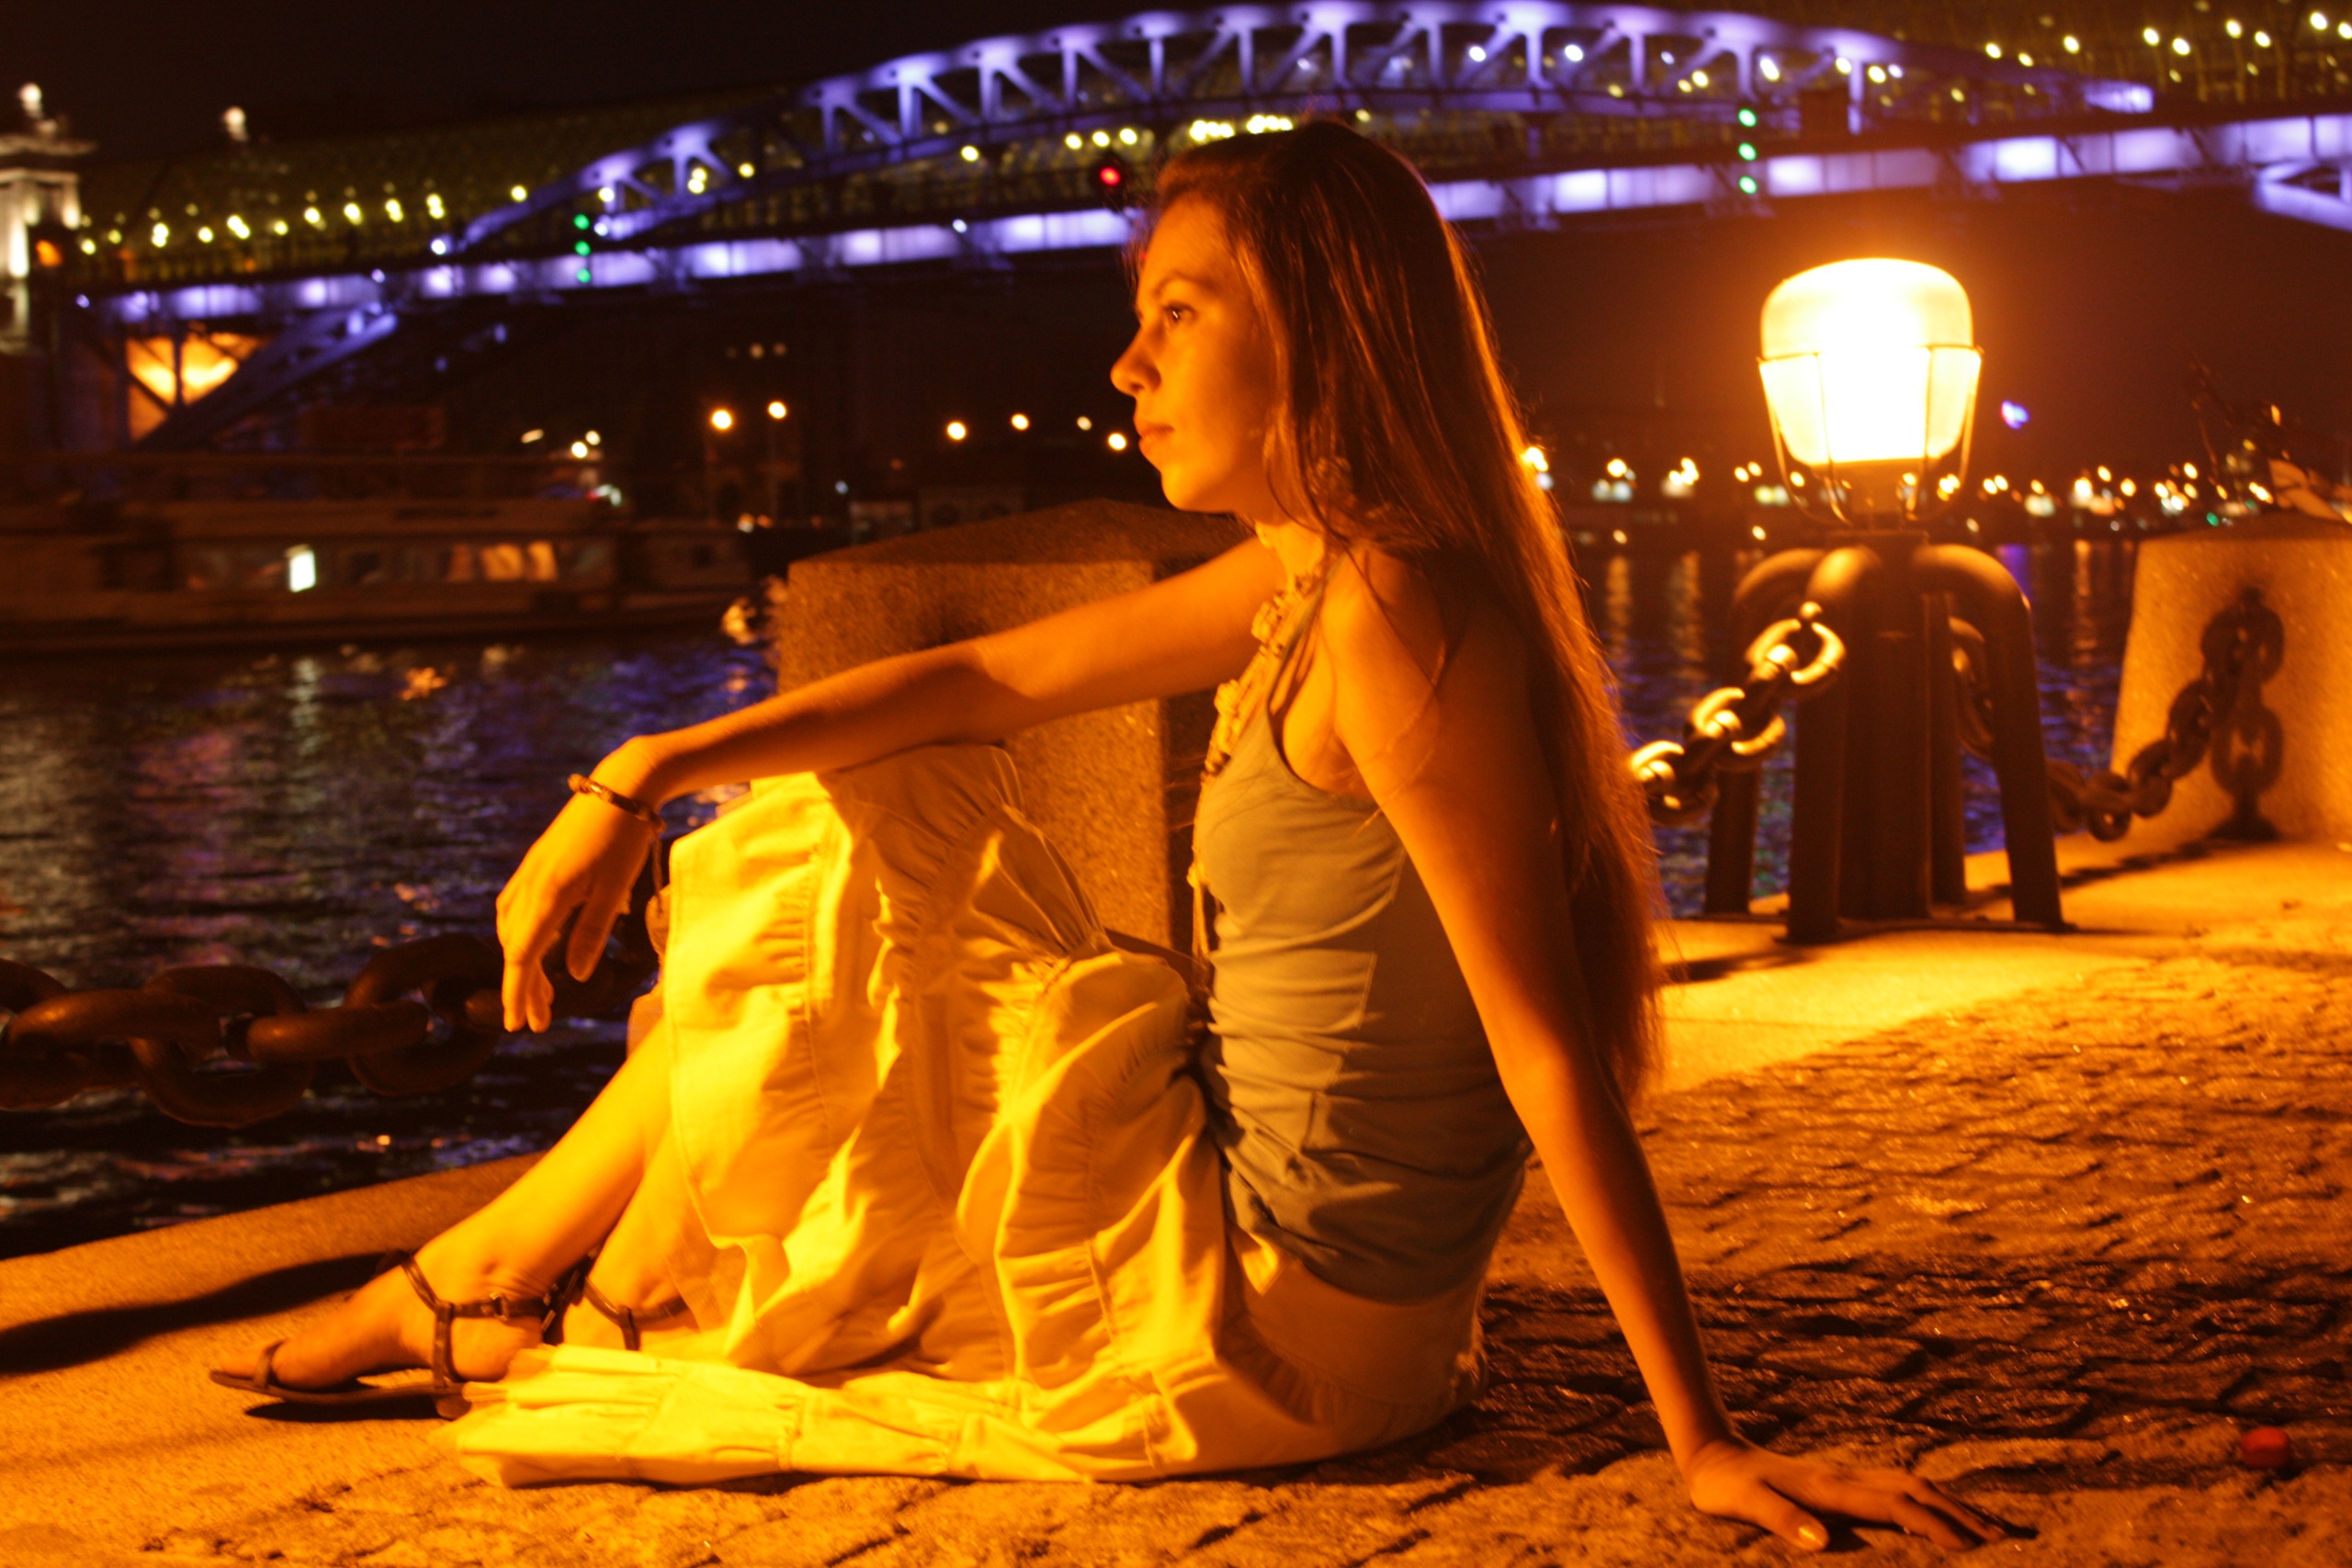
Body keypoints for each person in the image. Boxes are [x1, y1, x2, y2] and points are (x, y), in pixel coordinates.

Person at [216, 122, 1999, 1552]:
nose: (1127, 359)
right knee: (870, 787)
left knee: (827, 845)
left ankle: (472, 1284)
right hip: (1294, 1257)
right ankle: (486, 1280)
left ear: (1321, 335)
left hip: (1283, 1322)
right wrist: (640, 768)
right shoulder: (1311, 572)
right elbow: (986, 673)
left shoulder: (1394, 611)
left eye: (1179, 312)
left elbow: (1545, 1050)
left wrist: (1702, 1440)